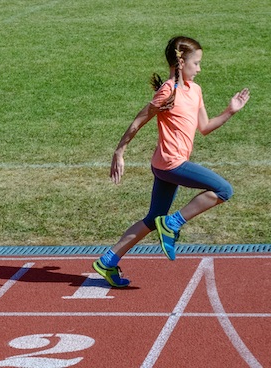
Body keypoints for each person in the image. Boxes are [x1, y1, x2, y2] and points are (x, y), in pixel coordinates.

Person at [92, 36, 250, 287]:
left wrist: (230, 111)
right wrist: (119, 151)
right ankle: (173, 223)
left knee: (153, 216)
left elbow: (205, 128)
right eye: (196, 63)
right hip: (170, 164)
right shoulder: (168, 91)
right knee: (223, 190)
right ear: (181, 63)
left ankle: (108, 261)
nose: (199, 69)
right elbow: (138, 121)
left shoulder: (195, 90)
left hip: (166, 165)